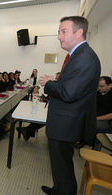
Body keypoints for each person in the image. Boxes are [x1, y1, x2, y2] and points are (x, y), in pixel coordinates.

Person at [39, 16, 101, 195]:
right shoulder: (78, 55)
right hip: (65, 121)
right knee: (60, 164)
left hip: (66, 124)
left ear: (79, 32)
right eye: (59, 32)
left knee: (63, 166)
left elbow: (68, 93)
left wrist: (49, 84)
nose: (59, 36)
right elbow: (71, 86)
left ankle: (64, 191)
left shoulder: (84, 58)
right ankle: (59, 189)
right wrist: (56, 82)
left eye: (63, 31)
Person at [75, 76, 112, 148]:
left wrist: (96, 118)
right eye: (98, 86)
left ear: (110, 85)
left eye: (101, 86)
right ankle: (90, 141)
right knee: (79, 120)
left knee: (88, 124)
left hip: (108, 121)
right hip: (95, 117)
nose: (99, 88)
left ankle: (93, 142)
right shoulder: (97, 93)